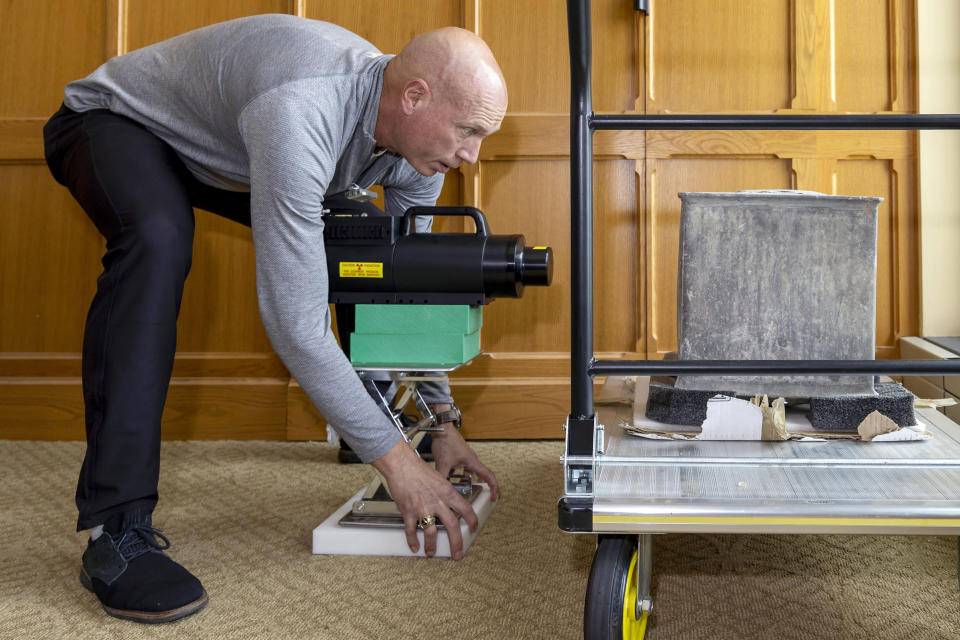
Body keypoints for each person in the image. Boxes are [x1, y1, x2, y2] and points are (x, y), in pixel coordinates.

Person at [43, 14, 507, 624]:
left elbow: (408, 295)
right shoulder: (303, 110)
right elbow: (293, 323)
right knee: (156, 239)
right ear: (415, 97)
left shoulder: (414, 156)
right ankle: (115, 533)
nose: (471, 156)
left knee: (370, 245)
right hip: (113, 124)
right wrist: (399, 466)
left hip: (224, 148)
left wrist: (438, 421)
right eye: (467, 131)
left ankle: (376, 416)